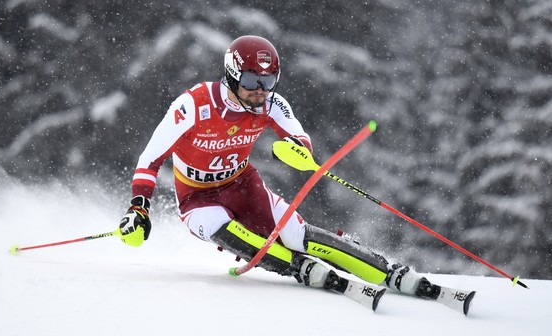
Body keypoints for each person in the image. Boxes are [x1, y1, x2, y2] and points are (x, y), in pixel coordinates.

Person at [118, 35, 440, 299]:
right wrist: (139, 207)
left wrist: (296, 150)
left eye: (268, 80)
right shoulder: (195, 104)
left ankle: (387, 271)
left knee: (296, 234)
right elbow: (150, 159)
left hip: (242, 186)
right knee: (224, 227)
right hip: (197, 199)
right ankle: (298, 267)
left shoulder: (270, 103)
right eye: (250, 79)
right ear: (231, 74)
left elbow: (298, 135)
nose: (259, 89)